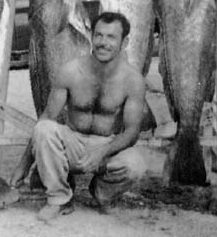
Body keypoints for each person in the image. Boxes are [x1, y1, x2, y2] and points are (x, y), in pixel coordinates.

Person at [15, 11, 147, 221]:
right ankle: (59, 198)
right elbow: (47, 117)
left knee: (136, 165)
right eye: (99, 35)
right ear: (91, 36)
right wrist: (23, 166)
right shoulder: (70, 71)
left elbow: (132, 132)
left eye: (111, 37)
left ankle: (102, 193)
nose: (103, 42)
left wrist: (102, 151)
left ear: (125, 41)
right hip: (72, 143)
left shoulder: (133, 80)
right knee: (44, 129)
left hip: (106, 145)